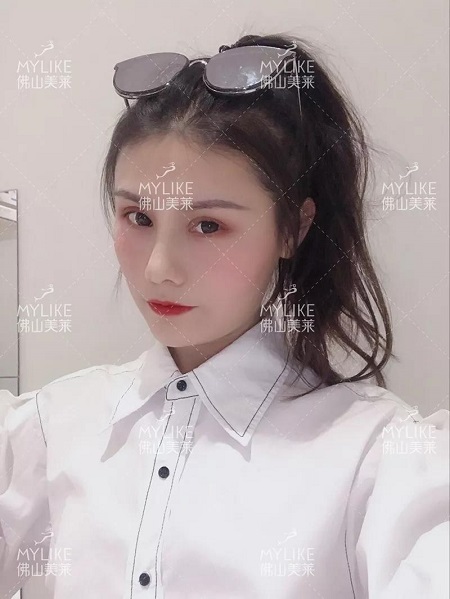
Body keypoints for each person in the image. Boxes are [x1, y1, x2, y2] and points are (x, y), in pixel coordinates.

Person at [1, 32, 448, 599]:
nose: (160, 268)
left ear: (293, 228)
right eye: (138, 217)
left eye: (208, 225)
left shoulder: (381, 460)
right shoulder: (47, 429)